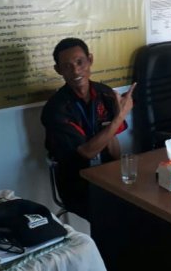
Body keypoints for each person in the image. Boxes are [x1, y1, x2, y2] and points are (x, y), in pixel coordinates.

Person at [41, 37, 135, 220]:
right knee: (115, 214)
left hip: (107, 174)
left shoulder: (105, 94)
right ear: (58, 70)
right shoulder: (55, 109)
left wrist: (121, 174)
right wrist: (120, 117)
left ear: (90, 60)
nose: (76, 70)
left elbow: (112, 139)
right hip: (76, 182)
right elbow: (86, 152)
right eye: (67, 66)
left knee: (143, 199)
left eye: (80, 62)